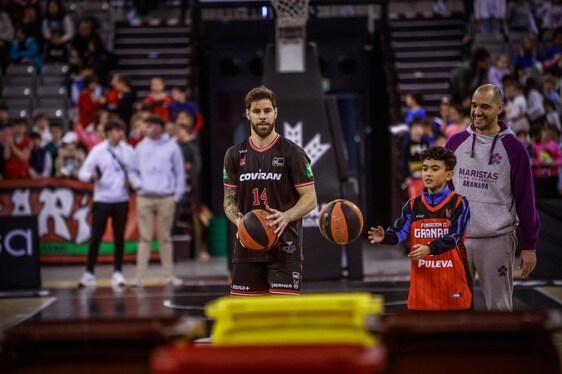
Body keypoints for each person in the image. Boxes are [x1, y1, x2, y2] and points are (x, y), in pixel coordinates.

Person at [446, 84, 540, 311]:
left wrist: (530, 245)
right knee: (453, 308)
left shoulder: (514, 148)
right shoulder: (455, 144)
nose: (477, 111)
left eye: (485, 106)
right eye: (474, 105)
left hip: (497, 241)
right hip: (459, 240)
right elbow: (444, 193)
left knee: (500, 310)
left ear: (500, 108)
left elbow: (526, 199)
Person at [222, 86, 317, 296]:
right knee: (246, 320)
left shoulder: (292, 153)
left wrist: (286, 216)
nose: (262, 116)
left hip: (285, 249)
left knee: (283, 320)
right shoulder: (234, 155)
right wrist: (239, 222)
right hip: (247, 250)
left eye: (267, 110)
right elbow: (229, 199)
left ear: (276, 112)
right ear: (247, 114)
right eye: (256, 111)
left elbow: (310, 198)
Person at [369, 146, 472, 311]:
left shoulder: (459, 203)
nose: (428, 173)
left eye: (435, 168)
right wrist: (385, 237)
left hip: (453, 288)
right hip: (421, 294)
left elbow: (454, 238)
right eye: (424, 168)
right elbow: (399, 233)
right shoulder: (412, 205)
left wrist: (429, 249)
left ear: (449, 175)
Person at [129, 115, 185, 286]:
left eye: (157, 125)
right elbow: (132, 171)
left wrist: (176, 196)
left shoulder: (172, 146)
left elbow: (179, 172)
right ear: (145, 127)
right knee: (145, 238)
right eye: (150, 125)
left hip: (165, 198)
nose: (153, 128)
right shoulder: (139, 147)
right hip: (145, 198)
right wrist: (139, 186)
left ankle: (168, 275)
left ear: (162, 127)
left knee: (165, 237)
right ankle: (139, 277)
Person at [77, 119, 134, 288]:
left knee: (119, 237)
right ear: (108, 132)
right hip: (102, 199)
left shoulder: (128, 151)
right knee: (96, 237)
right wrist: (92, 176)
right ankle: (89, 273)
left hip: (121, 199)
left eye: (122, 130)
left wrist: (131, 181)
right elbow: (82, 173)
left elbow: (134, 170)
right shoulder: (98, 151)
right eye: (117, 130)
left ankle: (118, 272)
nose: (120, 134)